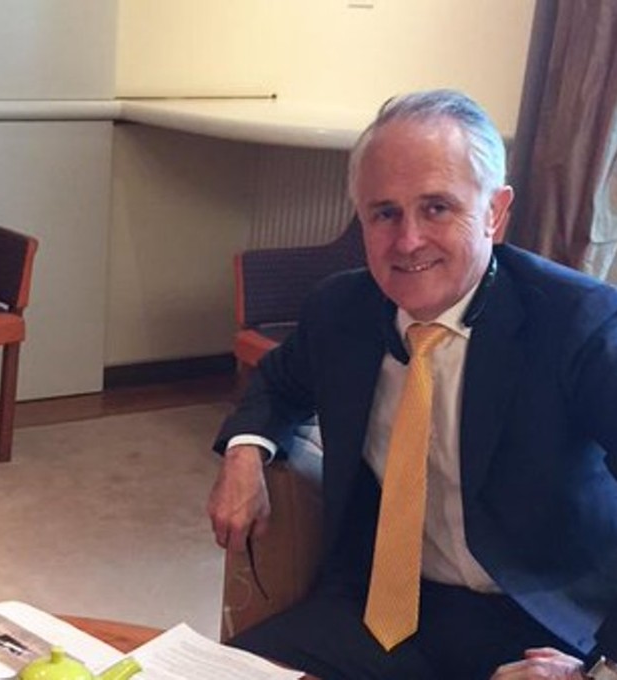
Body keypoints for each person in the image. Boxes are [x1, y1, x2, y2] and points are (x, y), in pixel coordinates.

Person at [208, 89, 617, 680]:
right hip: (381, 608)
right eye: (385, 213)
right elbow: (279, 379)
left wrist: (599, 668)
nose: (407, 241)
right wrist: (246, 454)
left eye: (437, 208)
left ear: (495, 214)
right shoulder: (341, 309)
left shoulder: (581, 324)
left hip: (543, 622)